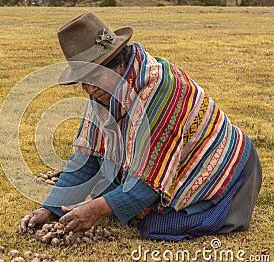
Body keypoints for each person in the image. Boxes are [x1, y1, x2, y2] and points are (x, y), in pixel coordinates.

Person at [18, 12, 262, 241]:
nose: (89, 90)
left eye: (94, 79)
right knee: (116, 200)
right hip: (162, 168)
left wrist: (95, 209)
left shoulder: (163, 91)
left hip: (221, 169)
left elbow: (149, 183)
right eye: (83, 82)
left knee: (154, 225)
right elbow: (87, 157)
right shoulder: (104, 92)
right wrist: (50, 209)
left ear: (118, 66)